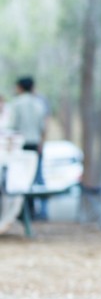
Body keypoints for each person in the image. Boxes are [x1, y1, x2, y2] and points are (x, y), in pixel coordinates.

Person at [9, 76, 50, 221]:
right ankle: (43, 212)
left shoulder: (16, 103)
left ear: (20, 87)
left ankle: (25, 212)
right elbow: (43, 127)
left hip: (20, 147)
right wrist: (41, 144)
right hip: (35, 145)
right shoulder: (39, 104)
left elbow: (12, 127)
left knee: (20, 181)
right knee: (37, 178)